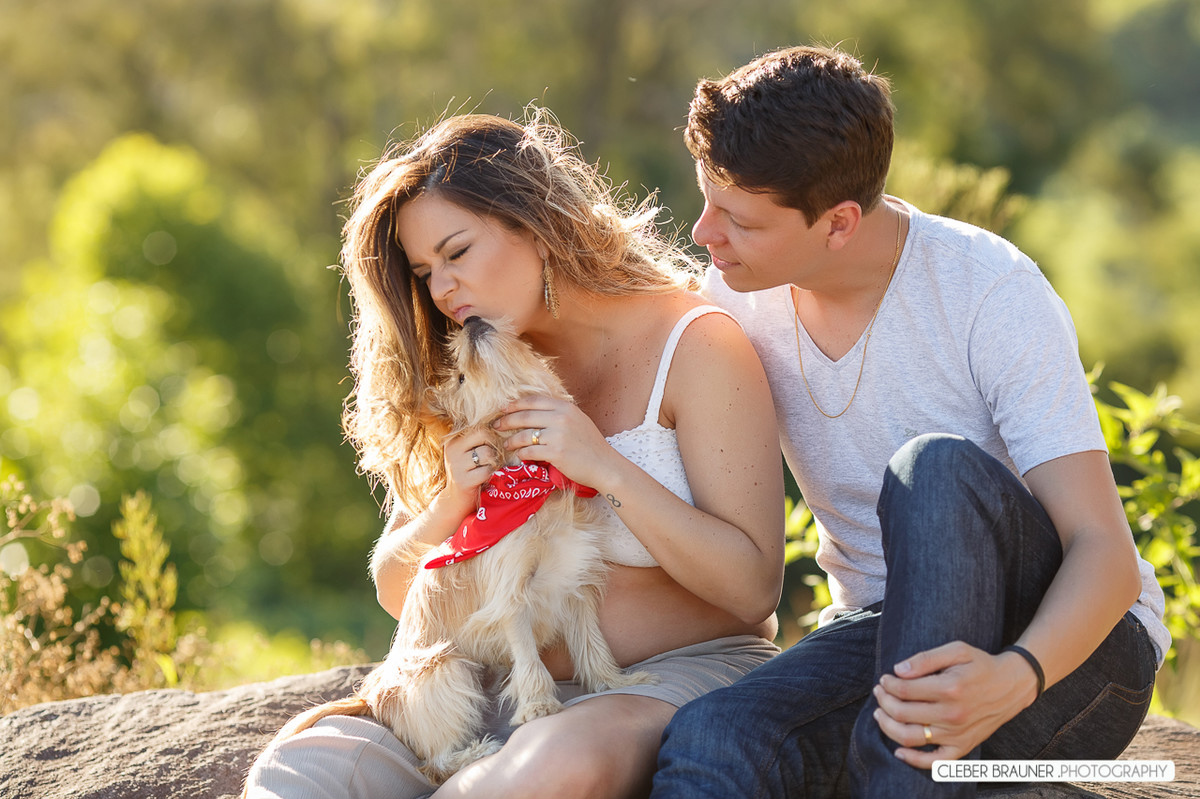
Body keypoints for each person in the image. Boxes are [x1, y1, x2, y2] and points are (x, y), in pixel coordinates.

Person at [650, 44, 1170, 798]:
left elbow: (1106, 554)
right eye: (707, 202)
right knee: (715, 735)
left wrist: (1013, 677)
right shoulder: (733, 296)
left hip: (1069, 653)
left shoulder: (988, 291)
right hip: (875, 632)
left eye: (737, 219)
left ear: (838, 223)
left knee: (933, 469)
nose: (704, 233)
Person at [243, 110, 785, 799]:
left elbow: (751, 590)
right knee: (299, 773)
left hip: (657, 679)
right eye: (424, 270)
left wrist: (601, 466)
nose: (441, 289)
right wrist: (454, 501)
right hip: (480, 689)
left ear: (533, 223)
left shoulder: (695, 344)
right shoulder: (474, 370)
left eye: (457, 252)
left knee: (548, 770)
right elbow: (400, 590)